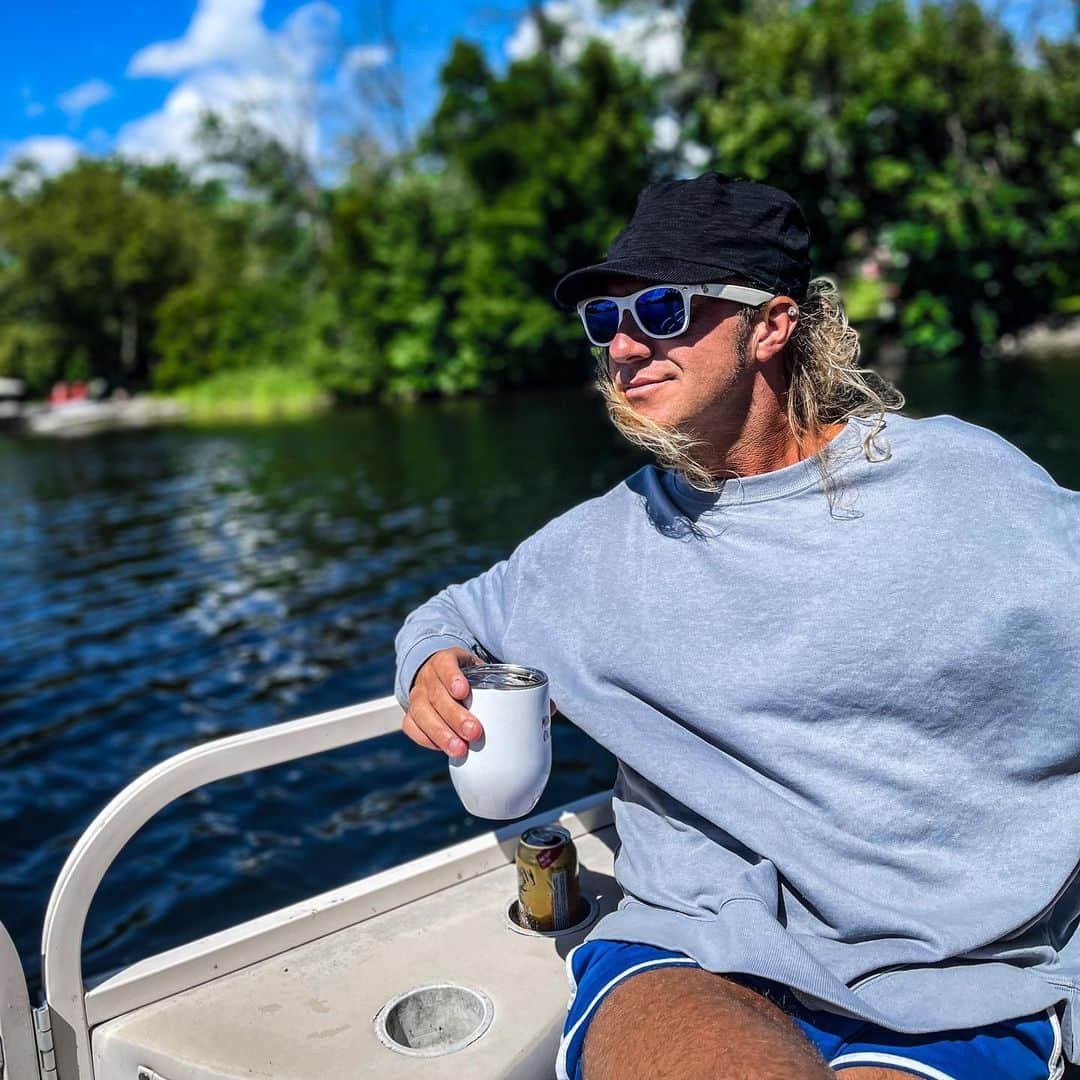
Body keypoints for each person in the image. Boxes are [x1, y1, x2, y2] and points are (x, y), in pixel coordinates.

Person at [394, 173, 1078, 1079]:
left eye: (663, 310)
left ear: (771, 324)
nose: (625, 347)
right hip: (695, 940)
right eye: (606, 322)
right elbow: (455, 612)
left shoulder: (963, 487)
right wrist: (430, 663)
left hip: (954, 968)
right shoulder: (602, 542)